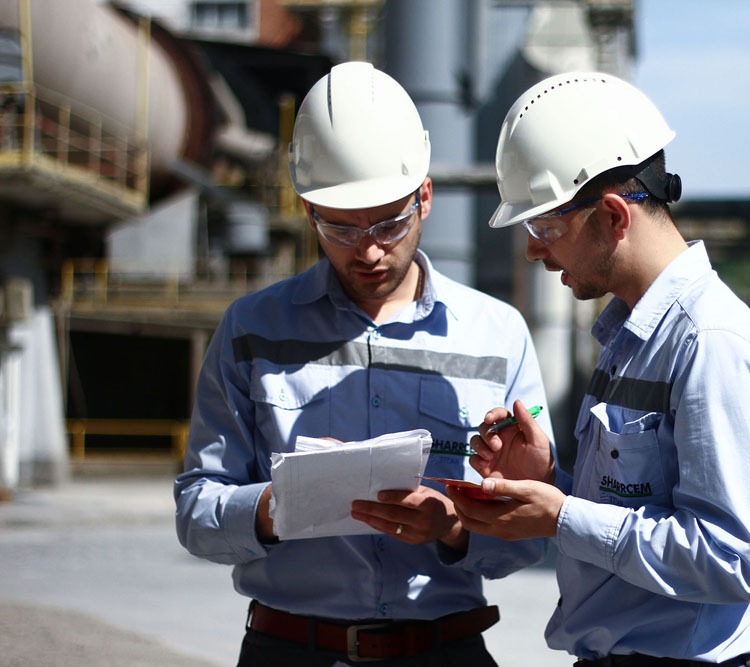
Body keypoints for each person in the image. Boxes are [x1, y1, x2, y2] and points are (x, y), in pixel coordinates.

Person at [174, 61, 555, 667]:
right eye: (340, 229)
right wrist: (279, 507)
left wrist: (454, 529)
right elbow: (197, 513)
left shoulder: (497, 334)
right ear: (307, 212)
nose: (370, 249)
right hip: (291, 650)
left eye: (388, 222)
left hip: (442, 650)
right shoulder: (252, 330)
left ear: (424, 197)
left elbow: (530, 540)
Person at [448, 72, 750, 666]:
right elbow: (634, 513)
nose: (533, 251)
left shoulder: (711, 346)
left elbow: (738, 557)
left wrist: (564, 516)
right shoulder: (632, 339)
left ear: (615, 216)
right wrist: (551, 485)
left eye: (545, 227)